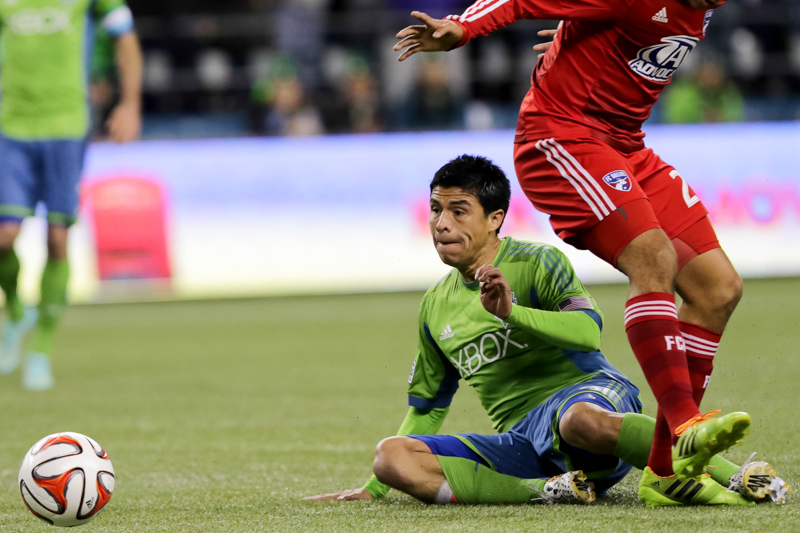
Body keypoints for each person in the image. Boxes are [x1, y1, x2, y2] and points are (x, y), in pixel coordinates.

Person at [392, 0, 754, 503]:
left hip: (624, 143)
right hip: (562, 135)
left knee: (718, 288)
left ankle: (664, 469)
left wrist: (573, 36)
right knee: (653, 257)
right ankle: (683, 427)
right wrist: (464, 25)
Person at [305, 155, 789, 507]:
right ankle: (549, 492)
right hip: (527, 442)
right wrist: (372, 490)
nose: (440, 223)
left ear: (495, 219)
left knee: (578, 419)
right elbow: (428, 409)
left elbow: (587, 334)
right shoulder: (435, 306)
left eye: (458, 210)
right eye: (435, 209)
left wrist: (512, 313)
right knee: (391, 458)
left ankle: (732, 475)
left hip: (592, 399)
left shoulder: (537, 262)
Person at [0, 0, 143, 390]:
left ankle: (40, 350)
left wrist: (130, 102)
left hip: (66, 126)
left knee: (58, 239)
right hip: (11, 127)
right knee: (3, 237)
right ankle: (15, 309)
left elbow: (124, 36)